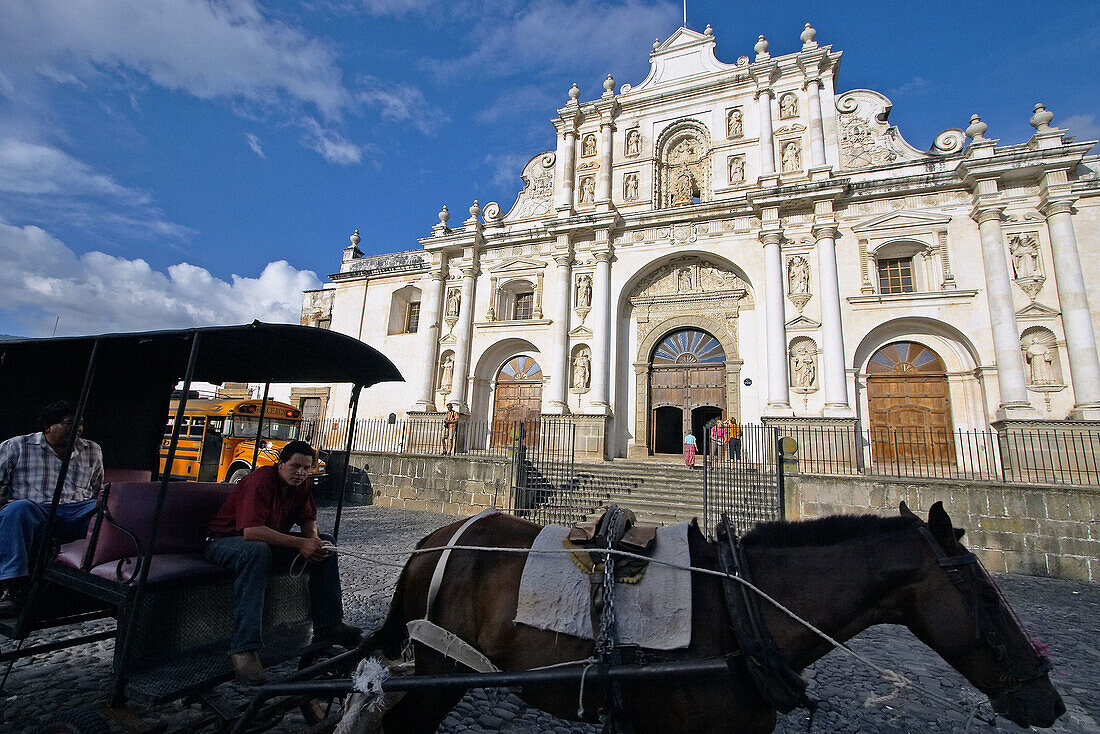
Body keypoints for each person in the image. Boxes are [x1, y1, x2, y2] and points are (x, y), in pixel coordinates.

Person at [205, 440, 360, 683]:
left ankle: (329, 623)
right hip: (224, 542)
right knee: (256, 552)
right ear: (280, 465)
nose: (300, 473)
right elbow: (251, 531)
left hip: (264, 545)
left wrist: (314, 540)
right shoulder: (260, 481)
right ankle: (243, 650)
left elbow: (308, 518)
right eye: (295, 466)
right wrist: (301, 544)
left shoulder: (302, 485)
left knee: (327, 544)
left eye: (306, 468)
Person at [0, 401, 103, 616]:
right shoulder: (17, 446)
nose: (78, 429)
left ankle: (104, 578)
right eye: (70, 423)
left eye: (81, 423)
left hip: (76, 510)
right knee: (18, 510)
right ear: (48, 427)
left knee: (106, 508)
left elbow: (96, 488)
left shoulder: (92, 449)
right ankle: (11, 586)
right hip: (36, 510)